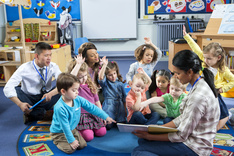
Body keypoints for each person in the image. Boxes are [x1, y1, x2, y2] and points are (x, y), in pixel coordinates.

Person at [132, 50, 220, 156]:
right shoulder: (201, 82)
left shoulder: (198, 98)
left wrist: (150, 136)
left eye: (178, 73)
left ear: (190, 72)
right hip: (190, 139)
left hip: (194, 148)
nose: (175, 76)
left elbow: (181, 136)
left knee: (138, 151)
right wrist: (158, 130)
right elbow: (183, 118)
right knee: (143, 141)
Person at [183, 25, 234, 130]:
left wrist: (222, 89)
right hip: (201, 91)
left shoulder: (223, 70)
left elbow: (233, 81)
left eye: (209, 59)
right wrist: (187, 36)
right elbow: (195, 48)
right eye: (205, 58)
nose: (205, 61)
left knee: (223, 114)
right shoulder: (204, 60)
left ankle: (228, 115)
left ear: (218, 58)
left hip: (214, 94)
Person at [50, 73, 115, 154]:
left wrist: (105, 116)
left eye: (77, 89)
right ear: (63, 91)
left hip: (72, 129)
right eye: (74, 90)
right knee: (71, 149)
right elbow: (65, 127)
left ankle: (70, 138)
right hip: (59, 132)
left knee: (82, 145)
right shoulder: (59, 107)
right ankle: (56, 140)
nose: (77, 92)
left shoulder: (77, 99)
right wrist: (72, 141)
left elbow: (92, 107)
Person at [3, 42, 61, 124]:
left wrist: (51, 94)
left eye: (50, 55)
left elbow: (63, 82)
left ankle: (33, 114)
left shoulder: (53, 66)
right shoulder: (24, 68)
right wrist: (20, 104)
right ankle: (43, 113)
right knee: (17, 90)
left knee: (63, 89)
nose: (49, 58)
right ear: (36, 56)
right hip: (30, 99)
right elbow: (7, 88)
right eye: (46, 55)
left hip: (46, 97)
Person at [66, 54, 107, 141]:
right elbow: (70, 77)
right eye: (80, 77)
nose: (83, 79)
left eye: (85, 75)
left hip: (93, 114)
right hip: (80, 116)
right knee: (89, 137)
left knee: (102, 132)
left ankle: (89, 129)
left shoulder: (90, 84)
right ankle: (77, 130)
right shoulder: (73, 87)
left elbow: (97, 101)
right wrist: (78, 64)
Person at [98, 58, 127, 130]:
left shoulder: (120, 84)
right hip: (109, 107)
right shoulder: (105, 84)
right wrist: (104, 65)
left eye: (114, 73)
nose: (113, 76)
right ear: (106, 76)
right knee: (108, 126)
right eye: (110, 75)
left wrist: (125, 110)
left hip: (120, 108)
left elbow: (124, 98)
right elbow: (101, 77)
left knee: (122, 125)